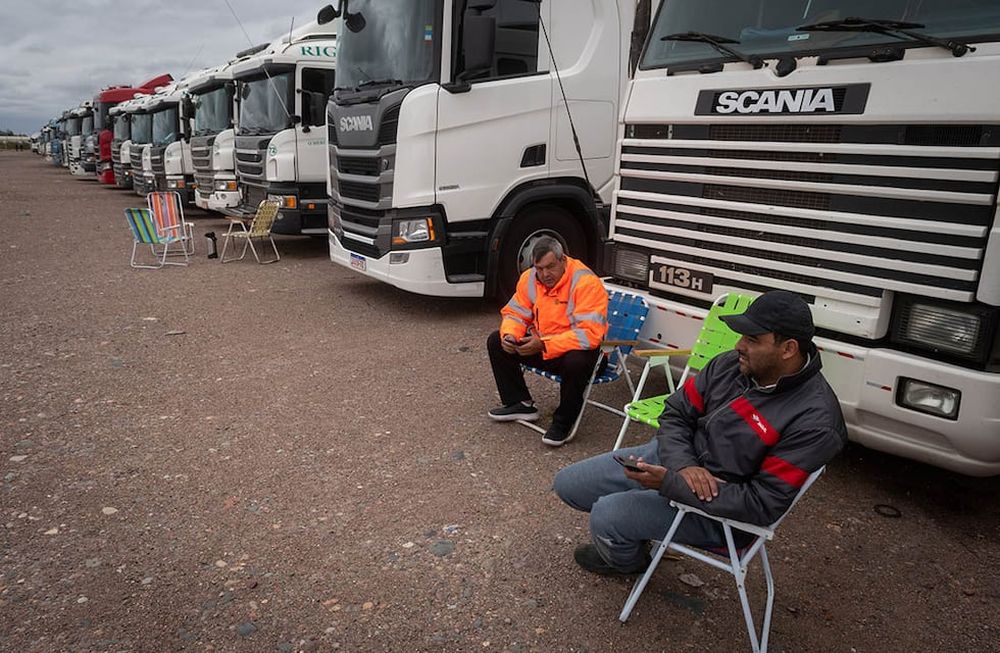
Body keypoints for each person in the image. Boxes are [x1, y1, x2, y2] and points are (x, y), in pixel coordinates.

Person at [554, 290, 847, 575]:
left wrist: (671, 483)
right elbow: (676, 412)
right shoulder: (730, 366)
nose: (739, 346)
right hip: (673, 460)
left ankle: (629, 564)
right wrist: (683, 465)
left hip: (718, 513)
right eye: (742, 336)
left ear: (788, 349)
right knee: (567, 484)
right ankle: (638, 527)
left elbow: (761, 504)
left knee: (607, 516)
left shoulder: (815, 421)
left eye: (752, 339)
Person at [486, 236, 608, 447]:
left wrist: (544, 343)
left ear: (563, 260)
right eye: (539, 268)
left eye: (550, 267)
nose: (544, 274)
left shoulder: (586, 283)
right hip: (544, 347)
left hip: (582, 353)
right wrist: (511, 336)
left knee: (576, 361)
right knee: (496, 341)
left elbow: (589, 335)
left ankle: (563, 422)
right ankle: (519, 403)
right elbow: (515, 313)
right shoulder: (529, 278)